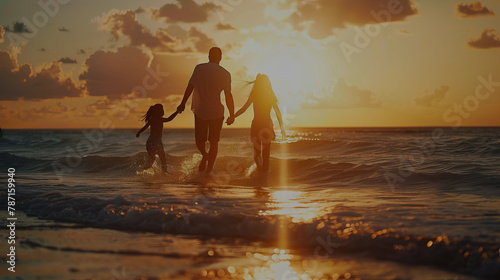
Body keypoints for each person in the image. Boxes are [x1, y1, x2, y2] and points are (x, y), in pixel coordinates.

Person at [177, 47, 235, 175]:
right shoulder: (225, 73)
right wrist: (231, 115)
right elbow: (228, 95)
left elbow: (190, 87)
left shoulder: (199, 68)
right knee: (214, 142)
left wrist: (182, 104)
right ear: (220, 57)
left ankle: (204, 155)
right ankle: (209, 171)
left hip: (200, 110)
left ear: (209, 56)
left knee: (199, 140)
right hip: (216, 111)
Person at [230, 74, 286, 175]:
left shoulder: (255, 95)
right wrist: (282, 129)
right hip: (266, 126)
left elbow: (244, 109)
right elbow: (278, 113)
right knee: (266, 152)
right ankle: (264, 173)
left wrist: (233, 117)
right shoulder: (269, 95)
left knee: (257, 152)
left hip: (257, 125)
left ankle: (261, 172)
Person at [136, 104, 178, 173]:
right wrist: (177, 112)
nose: (163, 110)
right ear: (159, 111)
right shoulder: (160, 119)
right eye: (162, 109)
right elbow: (169, 119)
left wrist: (139, 132)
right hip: (157, 142)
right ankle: (165, 173)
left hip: (150, 142)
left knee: (152, 160)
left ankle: (141, 171)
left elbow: (145, 127)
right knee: (163, 159)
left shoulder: (151, 119)